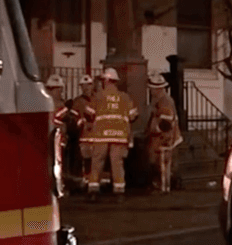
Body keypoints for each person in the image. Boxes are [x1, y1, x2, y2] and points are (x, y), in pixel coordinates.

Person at [83, 68, 138, 202]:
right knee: (117, 163)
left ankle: (93, 191)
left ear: (106, 81)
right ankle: (119, 192)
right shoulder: (124, 97)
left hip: (101, 134)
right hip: (119, 135)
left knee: (97, 162)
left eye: (102, 80)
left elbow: (88, 113)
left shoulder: (98, 96)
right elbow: (134, 115)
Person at [145, 73, 183, 194]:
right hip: (163, 139)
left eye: (152, 88)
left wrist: (155, 131)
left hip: (165, 140)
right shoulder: (161, 100)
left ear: (158, 89)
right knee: (160, 164)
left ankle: (163, 188)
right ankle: (162, 185)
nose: (151, 91)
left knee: (163, 165)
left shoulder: (164, 101)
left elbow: (166, 124)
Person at [71, 74, 97, 187]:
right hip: (84, 138)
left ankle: (94, 183)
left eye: (88, 85)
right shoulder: (77, 102)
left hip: (98, 138)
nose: (86, 88)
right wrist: (81, 122)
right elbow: (73, 120)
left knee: (96, 163)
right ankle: (87, 183)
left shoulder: (99, 100)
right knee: (86, 162)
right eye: (84, 86)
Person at [45, 75, 69, 195]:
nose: (60, 92)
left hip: (56, 139)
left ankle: (58, 187)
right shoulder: (59, 106)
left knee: (58, 164)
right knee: (56, 164)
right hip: (52, 139)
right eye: (58, 90)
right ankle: (58, 189)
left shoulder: (44, 104)